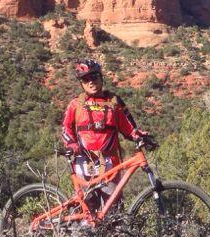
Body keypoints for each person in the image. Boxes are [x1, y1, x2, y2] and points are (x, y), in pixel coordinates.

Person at [61, 59, 152, 212]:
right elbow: (66, 129)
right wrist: (71, 145)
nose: (91, 82)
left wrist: (139, 136)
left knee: (114, 211)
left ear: (101, 78)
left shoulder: (113, 104)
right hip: (84, 164)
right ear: (81, 84)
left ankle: (112, 236)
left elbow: (128, 129)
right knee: (87, 210)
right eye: (86, 79)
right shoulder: (75, 105)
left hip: (110, 165)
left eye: (94, 77)